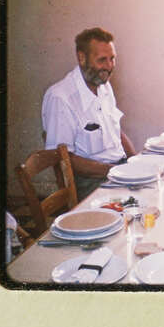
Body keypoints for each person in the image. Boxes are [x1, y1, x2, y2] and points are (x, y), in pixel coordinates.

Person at [42, 27, 136, 199]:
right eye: (102, 60)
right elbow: (65, 159)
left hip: (115, 171)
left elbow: (117, 133)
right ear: (82, 58)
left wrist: (136, 162)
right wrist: (116, 171)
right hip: (90, 183)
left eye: (112, 59)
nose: (109, 66)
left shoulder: (103, 86)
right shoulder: (60, 97)